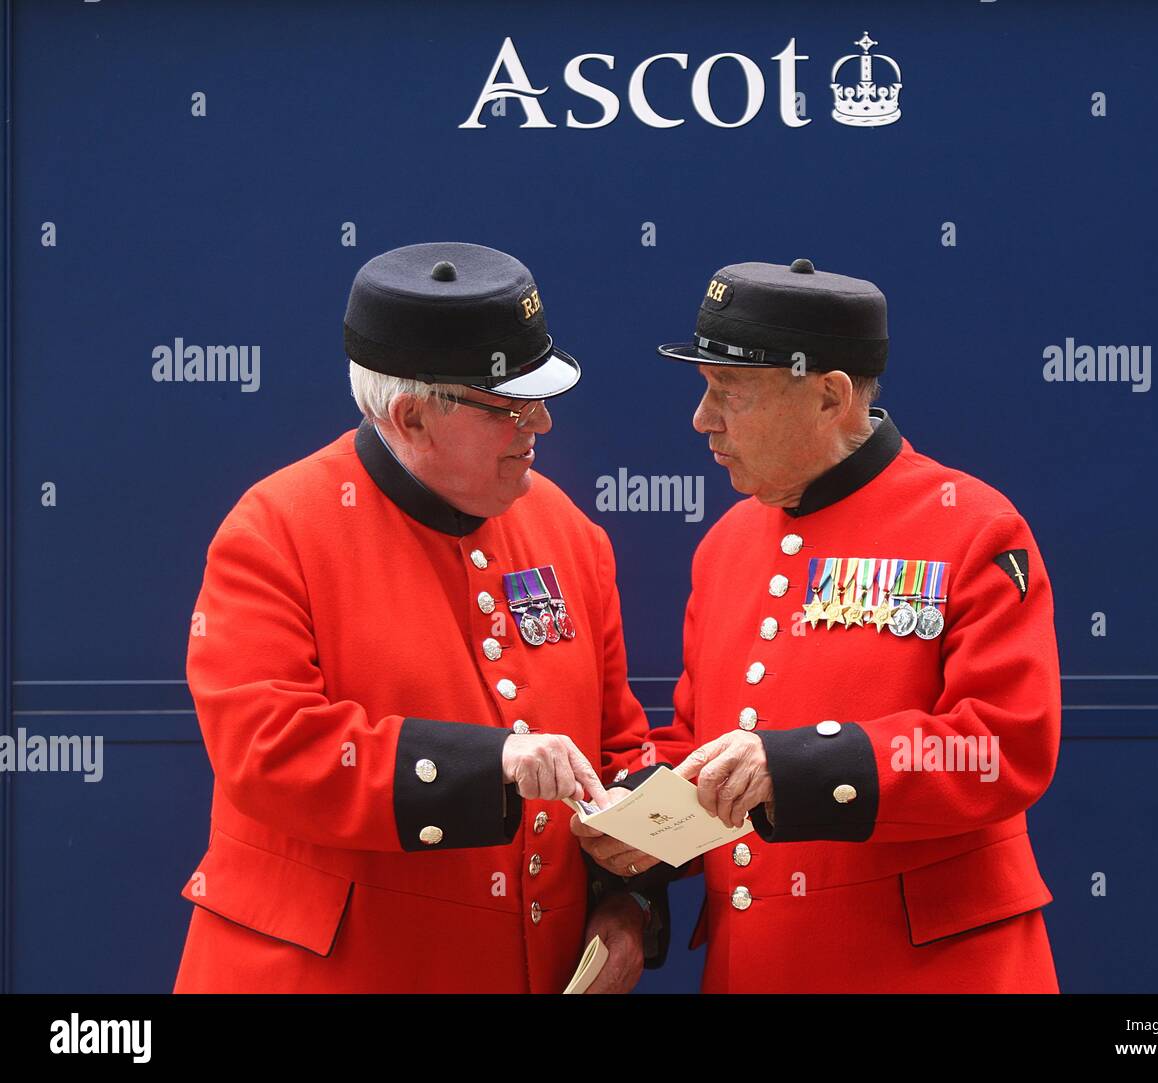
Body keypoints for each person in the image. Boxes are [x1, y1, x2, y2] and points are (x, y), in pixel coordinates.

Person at [173, 241, 677, 993]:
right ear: (411, 417)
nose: (540, 423)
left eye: (542, 397)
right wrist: (493, 764)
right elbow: (268, 751)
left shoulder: (570, 532)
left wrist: (628, 900)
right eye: (510, 406)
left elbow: (616, 751)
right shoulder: (275, 530)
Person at [574, 257, 1062, 992]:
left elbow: (1002, 746)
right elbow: (697, 744)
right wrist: (636, 828)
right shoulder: (726, 545)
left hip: (931, 974)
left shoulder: (975, 527)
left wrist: (795, 766)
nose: (701, 419)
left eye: (726, 392)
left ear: (831, 396)